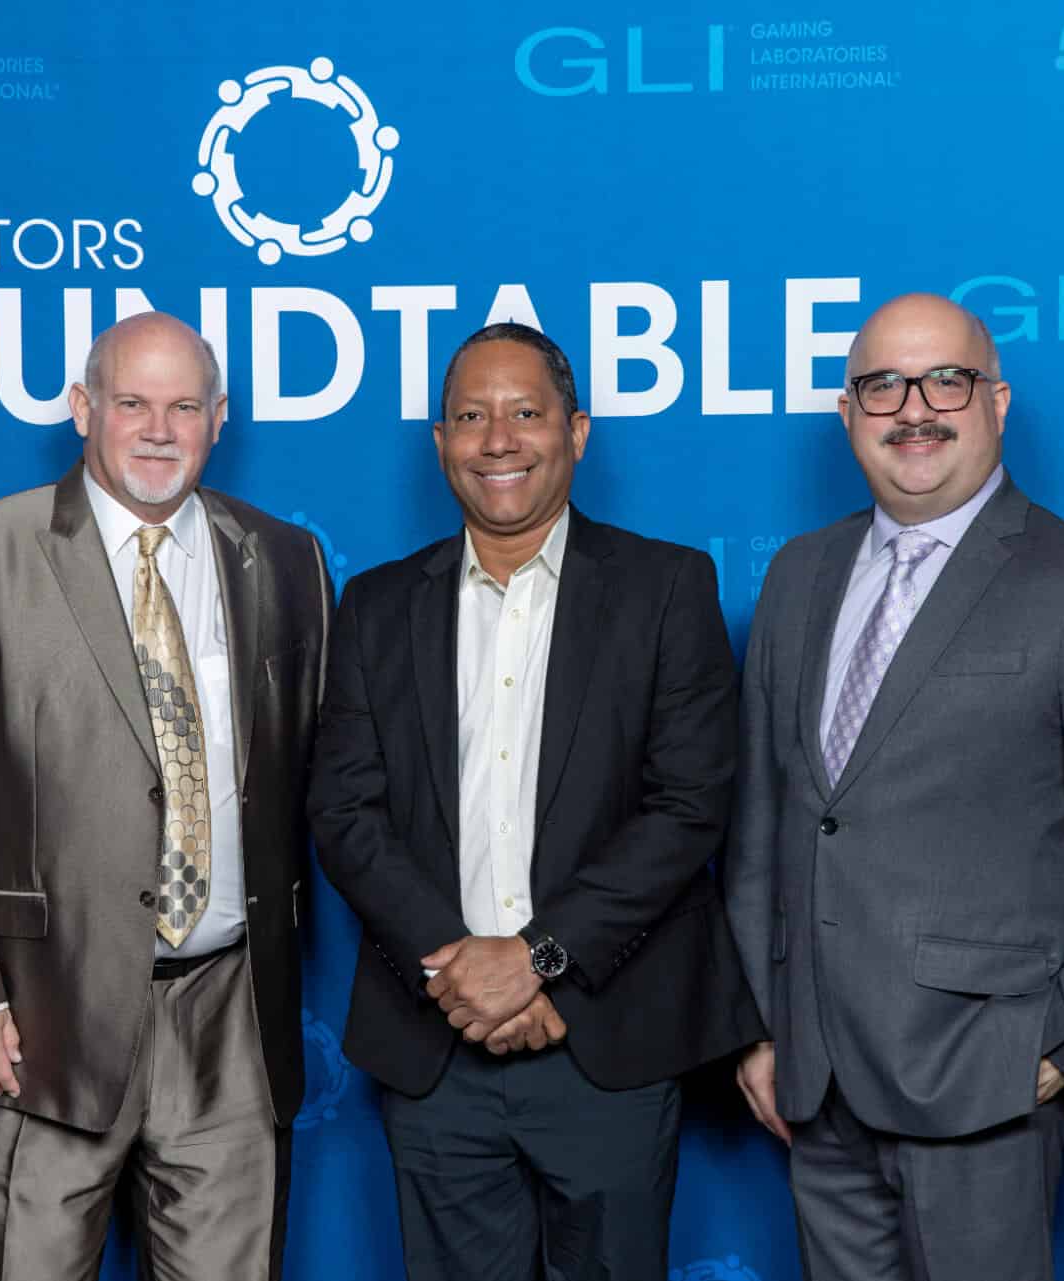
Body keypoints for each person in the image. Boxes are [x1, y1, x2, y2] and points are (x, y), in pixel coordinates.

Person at [725, 292, 1064, 1280]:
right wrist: (766, 1025)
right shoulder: (797, 576)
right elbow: (764, 828)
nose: (915, 409)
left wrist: (1063, 1042)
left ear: (996, 400)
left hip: (983, 1079)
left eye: (946, 380)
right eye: (883, 386)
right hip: (816, 1083)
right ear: (848, 414)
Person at [308, 322, 763, 1280]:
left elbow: (688, 807)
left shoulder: (667, 586)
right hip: (435, 1048)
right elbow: (346, 815)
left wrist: (537, 962)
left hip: (607, 1041)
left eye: (525, 412)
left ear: (576, 432)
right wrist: (464, 973)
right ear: (441, 441)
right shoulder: (377, 606)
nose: (499, 439)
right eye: (472, 417)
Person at [0, 311, 331, 1281]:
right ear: (83, 408)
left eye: (185, 407)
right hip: (35, 1024)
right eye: (132, 403)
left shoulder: (285, 559)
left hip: (230, 1016)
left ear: (221, 416)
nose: (159, 431)